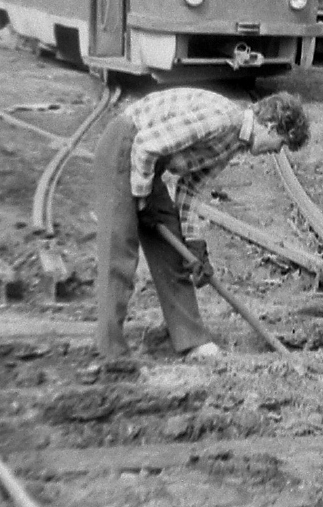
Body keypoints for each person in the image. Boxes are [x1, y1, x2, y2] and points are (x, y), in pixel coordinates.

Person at [93, 88, 309, 359]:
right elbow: (147, 144)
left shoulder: (233, 144)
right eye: (281, 143)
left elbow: (190, 188)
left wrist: (195, 245)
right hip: (124, 148)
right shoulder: (223, 120)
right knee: (119, 252)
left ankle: (192, 340)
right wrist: (142, 196)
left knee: (172, 251)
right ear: (270, 126)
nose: (276, 151)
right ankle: (111, 351)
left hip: (148, 165)